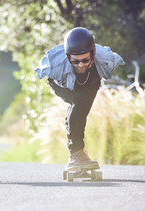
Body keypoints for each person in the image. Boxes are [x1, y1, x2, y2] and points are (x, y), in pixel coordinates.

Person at [35, 27, 125, 169]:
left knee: (81, 112)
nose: (81, 65)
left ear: (93, 54)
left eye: (85, 60)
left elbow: (118, 62)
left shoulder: (105, 59)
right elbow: (40, 71)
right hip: (63, 85)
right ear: (68, 56)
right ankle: (76, 154)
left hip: (92, 81)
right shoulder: (56, 65)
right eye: (75, 61)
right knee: (80, 98)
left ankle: (78, 152)